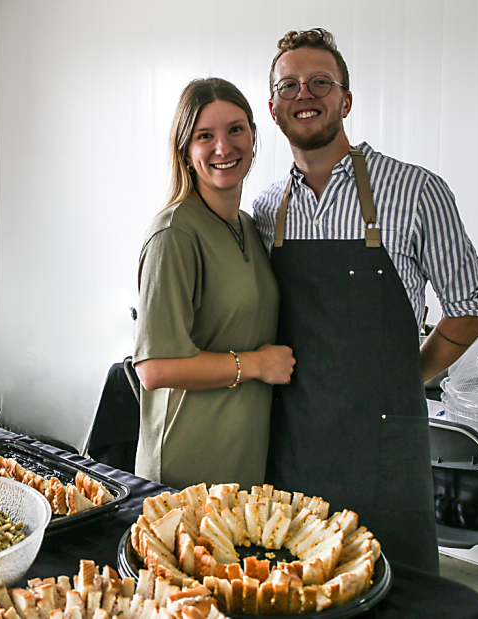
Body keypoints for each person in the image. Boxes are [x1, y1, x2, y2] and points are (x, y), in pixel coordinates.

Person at [253, 28, 478, 575]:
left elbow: (473, 303)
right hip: (292, 442)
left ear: (346, 100)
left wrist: (408, 374)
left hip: (383, 445)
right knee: (297, 585)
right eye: (288, 85)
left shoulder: (415, 190)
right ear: (273, 108)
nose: (304, 94)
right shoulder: (266, 208)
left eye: (321, 81)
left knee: (397, 590)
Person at [133, 78, 296, 491]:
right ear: (186, 151)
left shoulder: (249, 226)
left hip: (241, 464)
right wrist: (257, 364)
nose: (224, 148)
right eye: (205, 136)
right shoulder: (173, 233)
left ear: (254, 138)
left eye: (235, 130)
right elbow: (153, 368)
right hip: (185, 471)